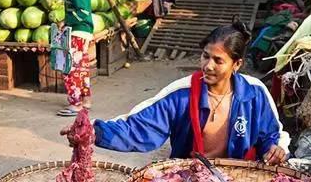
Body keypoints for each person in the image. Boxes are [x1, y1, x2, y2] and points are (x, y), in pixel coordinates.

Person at [61, 18, 290, 164]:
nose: (208, 65)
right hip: (189, 175)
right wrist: (93, 133)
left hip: (239, 175)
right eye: (205, 56)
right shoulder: (182, 93)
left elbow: (271, 135)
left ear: (236, 64)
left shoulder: (255, 93)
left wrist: (275, 149)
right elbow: (138, 126)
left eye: (218, 60)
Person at [56, 0, 94, 117]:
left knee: (70, 68)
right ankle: (86, 100)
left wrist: (67, 23)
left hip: (78, 32)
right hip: (82, 32)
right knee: (82, 67)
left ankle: (76, 103)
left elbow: (82, 12)